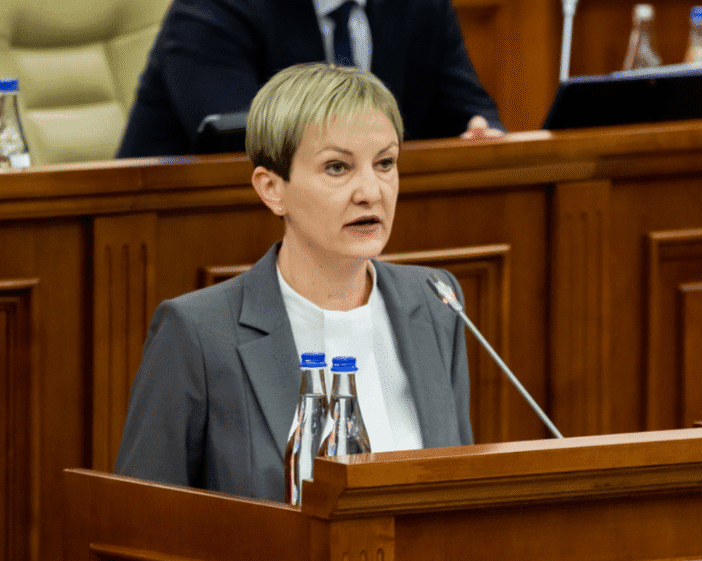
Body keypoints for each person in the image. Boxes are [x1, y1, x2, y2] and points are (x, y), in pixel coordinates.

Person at [114, 63, 473, 502]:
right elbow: (142, 519)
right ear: (272, 188)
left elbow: (458, 495)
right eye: (337, 167)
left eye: (385, 163)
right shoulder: (198, 333)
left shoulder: (436, 301)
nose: (371, 192)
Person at [116, 0, 504, 158]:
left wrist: (480, 133)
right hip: (184, 235)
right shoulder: (213, 8)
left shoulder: (420, 6)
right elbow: (247, 146)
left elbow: (469, 111)